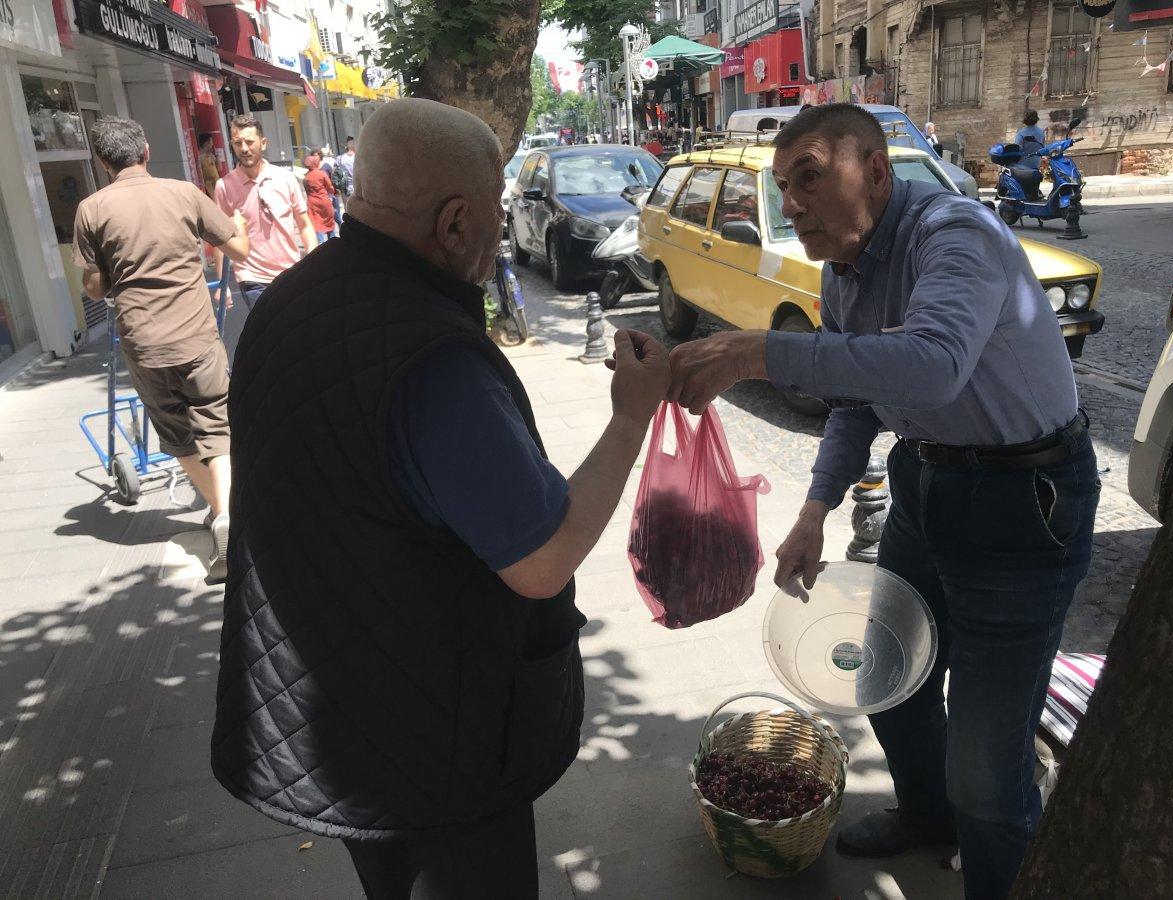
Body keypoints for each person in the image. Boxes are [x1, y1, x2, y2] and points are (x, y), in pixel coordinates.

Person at [210, 98, 671, 898]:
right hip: (430, 735)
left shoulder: (290, 299)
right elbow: (543, 557)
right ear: (456, 222)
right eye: (495, 214)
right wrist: (632, 415)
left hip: (335, 699)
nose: (500, 232)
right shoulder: (430, 363)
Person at [666, 104, 1099, 900]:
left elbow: (932, 367)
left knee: (987, 772)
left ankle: (997, 867)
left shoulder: (954, 233)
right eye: (782, 187)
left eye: (809, 178)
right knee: (887, 677)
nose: (791, 204)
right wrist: (813, 511)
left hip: (1021, 501)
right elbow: (859, 398)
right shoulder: (843, 272)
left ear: (873, 169)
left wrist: (757, 350)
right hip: (925, 485)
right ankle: (929, 818)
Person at [72, 117, 250, 580]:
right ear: (146, 151)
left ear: (103, 162)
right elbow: (240, 250)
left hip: (144, 344)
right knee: (217, 425)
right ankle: (230, 515)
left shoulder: (91, 210)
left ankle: (218, 510)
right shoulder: (184, 193)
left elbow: (94, 288)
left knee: (178, 436)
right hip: (196, 336)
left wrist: (115, 273)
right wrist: (240, 225)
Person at [212, 114, 317, 311]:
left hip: (291, 272)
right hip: (252, 278)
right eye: (238, 143)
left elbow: (304, 225)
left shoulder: (285, 179)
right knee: (273, 334)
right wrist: (222, 284)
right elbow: (219, 239)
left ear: (263, 143)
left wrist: (312, 261)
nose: (244, 148)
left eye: (250, 142)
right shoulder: (224, 187)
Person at [302, 154, 336, 243]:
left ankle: (321, 244)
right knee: (329, 223)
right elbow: (330, 188)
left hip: (312, 203)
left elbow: (307, 191)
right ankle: (332, 242)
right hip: (324, 201)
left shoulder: (306, 177)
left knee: (316, 224)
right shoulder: (322, 174)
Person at [320, 146, 342, 229]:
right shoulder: (332, 161)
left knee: (329, 213)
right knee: (336, 212)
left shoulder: (321, 164)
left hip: (325, 192)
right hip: (331, 190)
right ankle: (340, 226)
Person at [198, 132, 220, 198]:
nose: (212, 144)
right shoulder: (200, 157)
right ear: (206, 143)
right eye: (211, 142)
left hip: (216, 185)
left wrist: (217, 156)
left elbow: (219, 168)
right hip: (208, 189)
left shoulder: (210, 155)